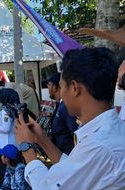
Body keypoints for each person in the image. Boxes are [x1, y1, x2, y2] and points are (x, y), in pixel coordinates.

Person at [15, 47, 125, 190]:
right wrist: (42, 140)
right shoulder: (108, 133)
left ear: (74, 88)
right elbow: (72, 171)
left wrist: (27, 147)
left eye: (61, 86)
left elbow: (48, 187)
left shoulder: (99, 146)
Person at [0, 88, 22, 190]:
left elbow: (6, 128)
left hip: (4, 146)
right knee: (10, 172)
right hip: (12, 144)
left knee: (2, 172)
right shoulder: (15, 109)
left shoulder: (5, 111)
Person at [46, 72, 78, 155]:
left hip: (68, 156)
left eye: (49, 84)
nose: (47, 88)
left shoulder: (65, 107)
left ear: (55, 87)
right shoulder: (59, 105)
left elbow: (75, 133)